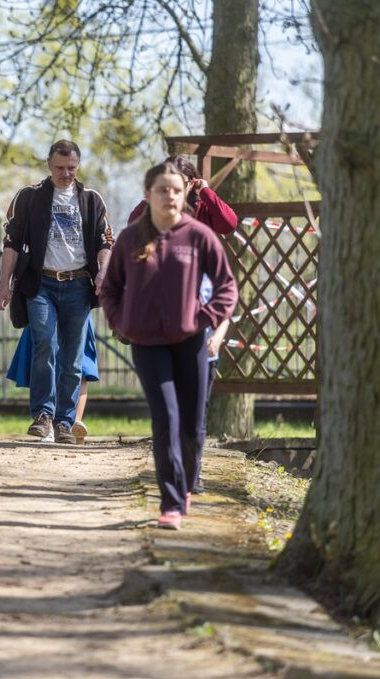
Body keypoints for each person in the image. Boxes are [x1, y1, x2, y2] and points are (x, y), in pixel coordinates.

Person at [100, 161, 238, 530]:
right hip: (147, 343)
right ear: (148, 195)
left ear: (185, 193)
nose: (170, 196)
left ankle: (187, 483)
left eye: (176, 189)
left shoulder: (198, 236)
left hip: (191, 340)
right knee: (166, 419)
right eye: (162, 189)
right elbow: (110, 288)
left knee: (191, 426)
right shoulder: (131, 238)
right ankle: (171, 502)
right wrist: (120, 320)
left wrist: (205, 319)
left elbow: (227, 286)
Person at [0, 140, 114, 444]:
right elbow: (12, 244)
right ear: (49, 165)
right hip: (40, 284)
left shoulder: (91, 200)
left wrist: (103, 273)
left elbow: (104, 243)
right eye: (60, 168)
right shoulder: (30, 197)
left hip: (78, 285)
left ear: (78, 165)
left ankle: (65, 421)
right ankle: (43, 414)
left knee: (73, 358)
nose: (66, 173)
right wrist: (3, 284)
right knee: (43, 343)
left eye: (71, 168)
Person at [128, 155, 238, 491]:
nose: (171, 193)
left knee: (195, 408)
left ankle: (192, 471)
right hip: (157, 321)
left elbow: (229, 223)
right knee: (167, 409)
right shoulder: (150, 212)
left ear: (190, 184)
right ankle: (174, 478)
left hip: (198, 319)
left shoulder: (202, 223)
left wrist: (206, 193)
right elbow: (130, 234)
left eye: (179, 184)